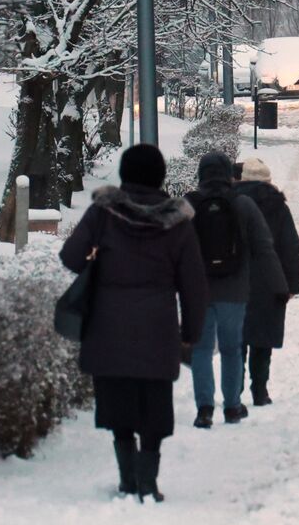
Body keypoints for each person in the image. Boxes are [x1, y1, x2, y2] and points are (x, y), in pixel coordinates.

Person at [59, 145, 208, 503]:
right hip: (158, 328)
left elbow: (70, 256)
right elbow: (194, 285)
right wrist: (191, 333)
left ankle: (127, 480)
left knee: (117, 403)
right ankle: (148, 482)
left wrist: (102, 266)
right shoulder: (179, 223)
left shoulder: (103, 213)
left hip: (108, 326)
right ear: (161, 177)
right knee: (155, 403)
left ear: (125, 176)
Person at [185, 152, 286, 428]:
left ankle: (204, 409)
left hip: (198, 290)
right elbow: (264, 247)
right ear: (229, 174)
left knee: (201, 350)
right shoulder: (243, 205)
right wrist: (279, 283)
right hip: (235, 289)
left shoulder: (189, 204)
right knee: (232, 349)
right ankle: (232, 407)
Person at [235, 157, 299, 406]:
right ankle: (260, 390)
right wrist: (293, 284)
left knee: (238, 338)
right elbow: (290, 246)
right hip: (270, 280)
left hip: (236, 279)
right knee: (263, 338)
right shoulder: (278, 206)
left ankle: (235, 388)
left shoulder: (231, 203)